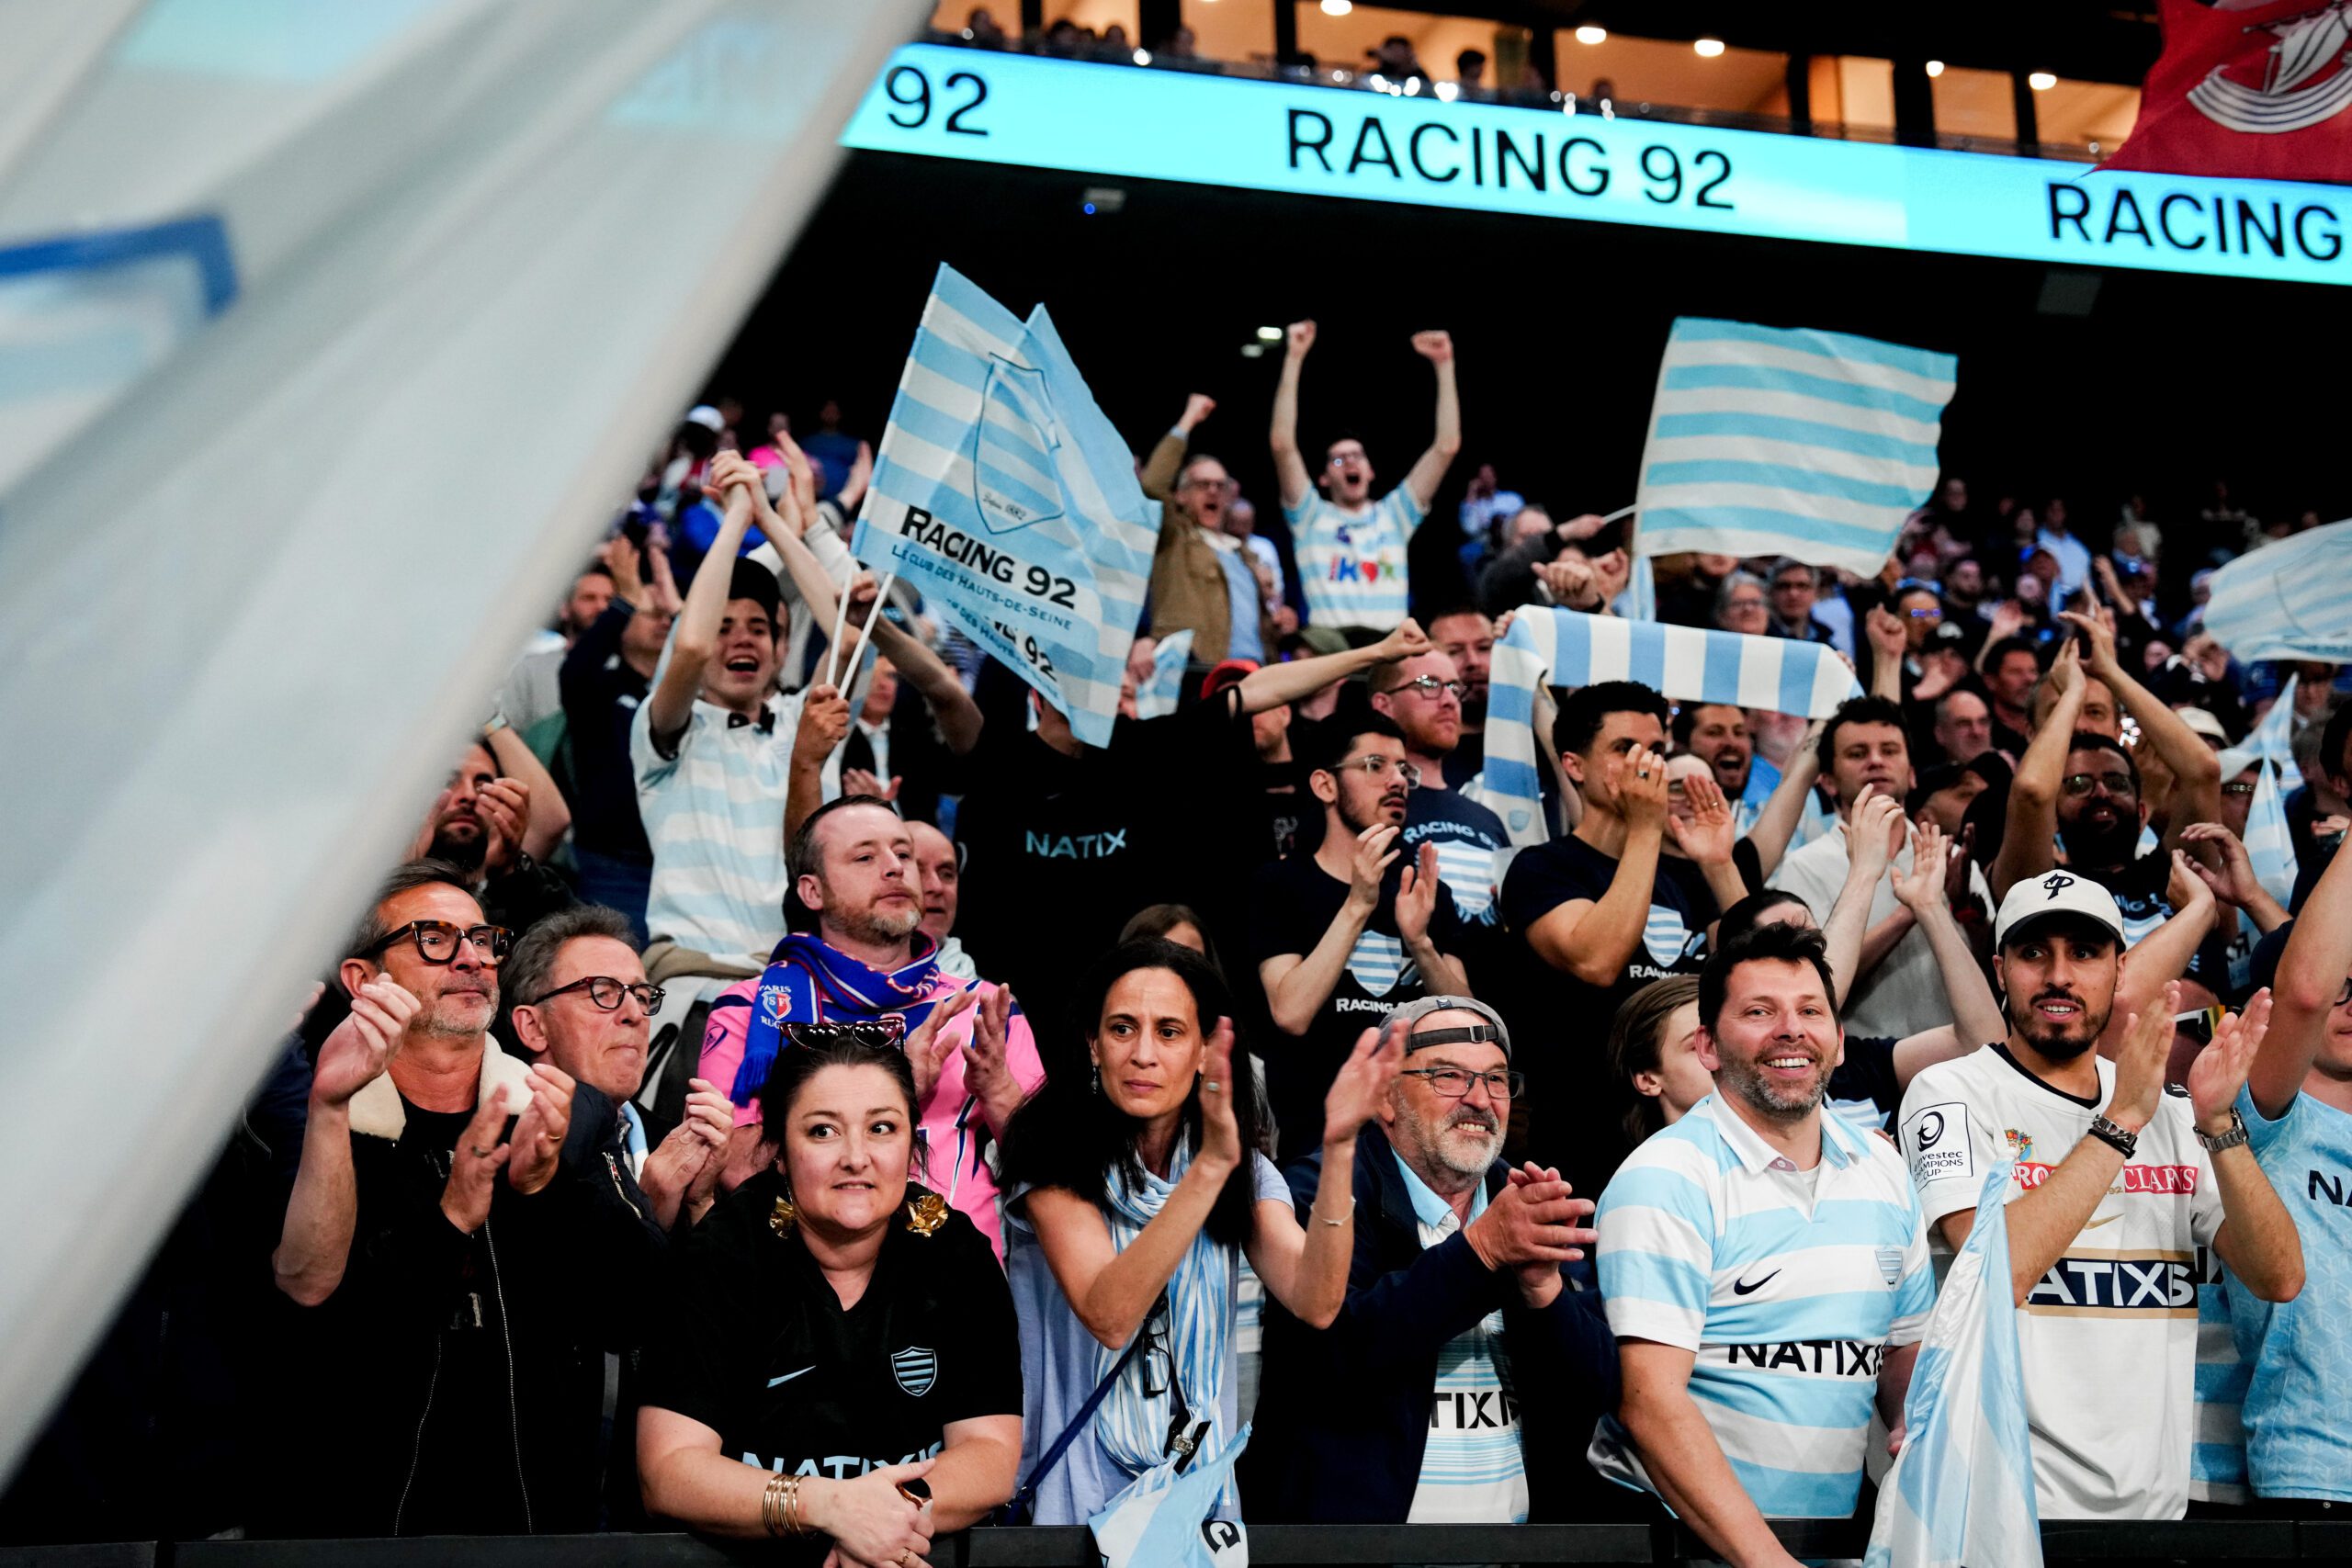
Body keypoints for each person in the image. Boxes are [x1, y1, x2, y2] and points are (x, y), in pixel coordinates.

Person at [268, 862, 661, 1535]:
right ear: (363, 979)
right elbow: (315, 1309)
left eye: (483, 940)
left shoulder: (557, 1109)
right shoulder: (320, 1119)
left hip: (538, 1528)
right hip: (360, 1529)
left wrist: (542, 1189)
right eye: (434, 938)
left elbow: (633, 1314)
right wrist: (443, 1213)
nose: (471, 958)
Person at [1897, 874, 2303, 1519]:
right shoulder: (1949, 1092)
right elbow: (1996, 1267)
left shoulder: (2168, 1111)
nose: (2059, 975)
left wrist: (2220, 1123)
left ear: (2119, 970)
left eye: (2084, 953)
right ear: (2000, 969)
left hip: (2155, 1512)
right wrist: (2121, 1123)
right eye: (2034, 953)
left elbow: (2279, 1274)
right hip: (1998, 1508)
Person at [995, 941, 1404, 1524]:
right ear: (1092, 1044)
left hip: (1197, 1499)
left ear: (1203, 1052)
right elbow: (1110, 1314)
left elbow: (1316, 1300)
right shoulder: (1049, 1155)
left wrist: (1339, 1147)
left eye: (1168, 1032)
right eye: (1121, 1029)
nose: (1142, 1054)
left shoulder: (1238, 1169)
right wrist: (1208, 1171)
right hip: (1074, 1501)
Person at [1592, 924, 1933, 1556]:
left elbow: (1902, 1353)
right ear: (1708, 1046)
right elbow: (1651, 1403)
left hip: (1833, 1539)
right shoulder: (1664, 1178)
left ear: (1837, 1042)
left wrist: (1918, 1419)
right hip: (1682, 1544)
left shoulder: (1886, 1169)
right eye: (1758, 1011)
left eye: (1810, 1010)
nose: (1791, 1029)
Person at [1244, 997, 1620, 1523]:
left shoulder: (1524, 1201)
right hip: (1360, 1556)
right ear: (1386, 1100)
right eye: (1449, 1076)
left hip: (1517, 1554)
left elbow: (1592, 1395)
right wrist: (1481, 1252)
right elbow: (1338, 1350)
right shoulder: (1319, 1191)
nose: (1479, 1099)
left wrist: (1544, 1293)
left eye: (1495, 1080)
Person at [636, 1036, 1022, 1548]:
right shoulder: (724, 1253)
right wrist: (832, 1509)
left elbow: (990, 1455)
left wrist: (884, 1523)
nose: (856, 1157)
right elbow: (668, 1471)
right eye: (823, 1132)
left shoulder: (955, 1253)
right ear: (778, 1153)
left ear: (912, 1145)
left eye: (882, 1128)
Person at [698, 796, 1045, 1256]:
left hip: (958, 1289)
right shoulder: (750, 1008)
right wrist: (890, 1091)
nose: (896, 868)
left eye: (904, 855)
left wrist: (998, 1091)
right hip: (800, 1288)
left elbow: (1053, 1170)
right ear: (812, 891)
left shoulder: (984, 1008)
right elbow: (734, 1169)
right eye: (865, 857)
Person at [1251, 714, 1472, 1158]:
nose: (1398, 781)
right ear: (1325, 785)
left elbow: (1467, 1028)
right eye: (1375, 765)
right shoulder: (1279, 885)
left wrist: (1421, 943)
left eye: (1403, 769)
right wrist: (1357, 905)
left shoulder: (1426, 892)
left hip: (1423, 1144)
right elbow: (1290, 1011)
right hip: (1319, 1144)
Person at [2222, 829, 2352, 1506]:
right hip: (2319, 1465)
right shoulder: (2264, 1118)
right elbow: (2305, 989)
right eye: (2345, 985)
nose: (2351, 1002)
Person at [1991, 612, 2224, 958]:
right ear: (2052, 816)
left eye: (2115, 782)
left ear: (2142, 807)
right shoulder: (2040, 881)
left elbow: (2204, 770)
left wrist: (2111, 673)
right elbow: (2032, 792)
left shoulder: (2173, 871)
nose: (2100, 792)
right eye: (2079, 784)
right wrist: (2074, 691)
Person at [1768, 696, 1994, 1040]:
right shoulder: (1805, 867)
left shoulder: (1948, 857)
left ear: (1912, 773)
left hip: (1956, 1061)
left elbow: (1995, 972)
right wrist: (1911, 911)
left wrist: (1964, 909)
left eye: (1889, 751)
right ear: (1827, 781)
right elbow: (1812, 989)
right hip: (1860, 1068)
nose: (1876, 761)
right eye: (1857, 754)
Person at [503, 906, 733, 1232]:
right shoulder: (500, 1143)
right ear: (534, 1027)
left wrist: (700, 1205)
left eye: (641, 995)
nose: (635, 1014)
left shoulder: (678, 1146)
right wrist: (649, 1209)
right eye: (602, 992)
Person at [1270, 320, 1461, 632]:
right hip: (1332, 645)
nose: (1349, 464)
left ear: (1370, 471)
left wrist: (1444, 364)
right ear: (1323, 478)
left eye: (1357, 456)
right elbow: (1282, 446)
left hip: (1388, 644)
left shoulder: (1395, 515)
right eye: (1338, 459)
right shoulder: (1310, 516)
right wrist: (1294, 357)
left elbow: (1446, 447)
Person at [564, 535, 682, 940]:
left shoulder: (689, 696)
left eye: (669, 615)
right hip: (612, 865)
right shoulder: (599, 686)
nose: (664, 621)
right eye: (651, 613)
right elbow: (575, 668)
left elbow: (700, 648)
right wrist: (624, 599)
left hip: (680, 862)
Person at [1372, 649, 1510, 931]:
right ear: (1384, 705)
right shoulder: (1367, 805)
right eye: (1428, 685)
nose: (1449, 701)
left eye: (1454, 688)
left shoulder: (1487, 819)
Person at [1137, 397, 1274, 665]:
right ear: (1181, 495)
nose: (1213, 491)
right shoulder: (1175, 539)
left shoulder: (1242, 552)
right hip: (1197, 668)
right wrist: (1188, 420)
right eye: (1202, 485)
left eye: (1220, 485)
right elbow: (1153, 486)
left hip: (1254, 671)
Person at [1427, 606, 1497, 788]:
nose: (1473, 661)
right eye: (1455, 651)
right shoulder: (1418, 754)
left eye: (1484, 647)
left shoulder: (1534, 742)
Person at [908, 818, 975, 983]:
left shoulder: (994, 1002)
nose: (936, 887)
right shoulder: (837, 990)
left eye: (946, 874)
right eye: (917, 871)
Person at [1764, 558, 1834, 645]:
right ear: (1771, 593)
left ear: (1816, 593)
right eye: (1784, 586)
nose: (1793, 594)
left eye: (1802, 586)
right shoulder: (1759, 638)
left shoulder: (1826, 645)